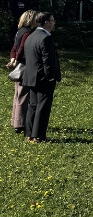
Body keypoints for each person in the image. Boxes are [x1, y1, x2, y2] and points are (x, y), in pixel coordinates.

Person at [21, 12, 60, 142]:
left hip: (31, 76)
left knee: (33, 105)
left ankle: (29, 134)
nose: (54, 23)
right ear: (46, 22)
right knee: (43, 106)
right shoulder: (45, 38)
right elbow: (47, 60)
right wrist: (50, 76)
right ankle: (38, 135)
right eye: (52, 20)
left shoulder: (31, 36)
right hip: (43, 77)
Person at [7, 10, 36, 133]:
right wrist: (17, 59)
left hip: (18, 65)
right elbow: (22, 48)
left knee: (18, 94)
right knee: (24, 95)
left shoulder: (20, 31)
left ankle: (15, 120)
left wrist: (13, 60)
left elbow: (14, 47)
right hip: (24, 65)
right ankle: (20, 123)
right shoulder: (28, 33)